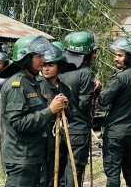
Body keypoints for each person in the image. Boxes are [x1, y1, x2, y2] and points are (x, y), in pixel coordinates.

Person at [0, 35, 68, 187]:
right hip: (21, 159)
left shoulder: (34, 83)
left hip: (35, 157)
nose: (44, 61)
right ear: (25, 57)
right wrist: (50, 110)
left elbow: (40, 115)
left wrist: (58, 106)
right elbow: (18, 123)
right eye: (39, 57)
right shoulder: (16, 85)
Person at [98, 37, 131, 187]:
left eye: (120, 55)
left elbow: (103, 100)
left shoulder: (120, 78)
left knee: (113, 173)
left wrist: (99, 91)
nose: (116, 59)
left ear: (130, 56)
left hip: (115, 133)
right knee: (130, 171)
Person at [60, 31, 99, 187]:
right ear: (86, 53)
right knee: (75, 171)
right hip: (78, 130)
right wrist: (94, 92)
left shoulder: (60, 71)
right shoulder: (85, 73)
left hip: (61, 129)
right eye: (93, 51)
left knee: (61, 170)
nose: (95, 54)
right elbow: (84, 104)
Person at [38, 44, 73, 187]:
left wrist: (66, 106)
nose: (46, 68)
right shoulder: (38, 85)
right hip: (42, 140)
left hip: (60, 139)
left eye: (51, 65)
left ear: (59, 67)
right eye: (44, 65)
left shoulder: (65, 88)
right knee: (43, 178)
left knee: (58, 176)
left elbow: (71, 116)